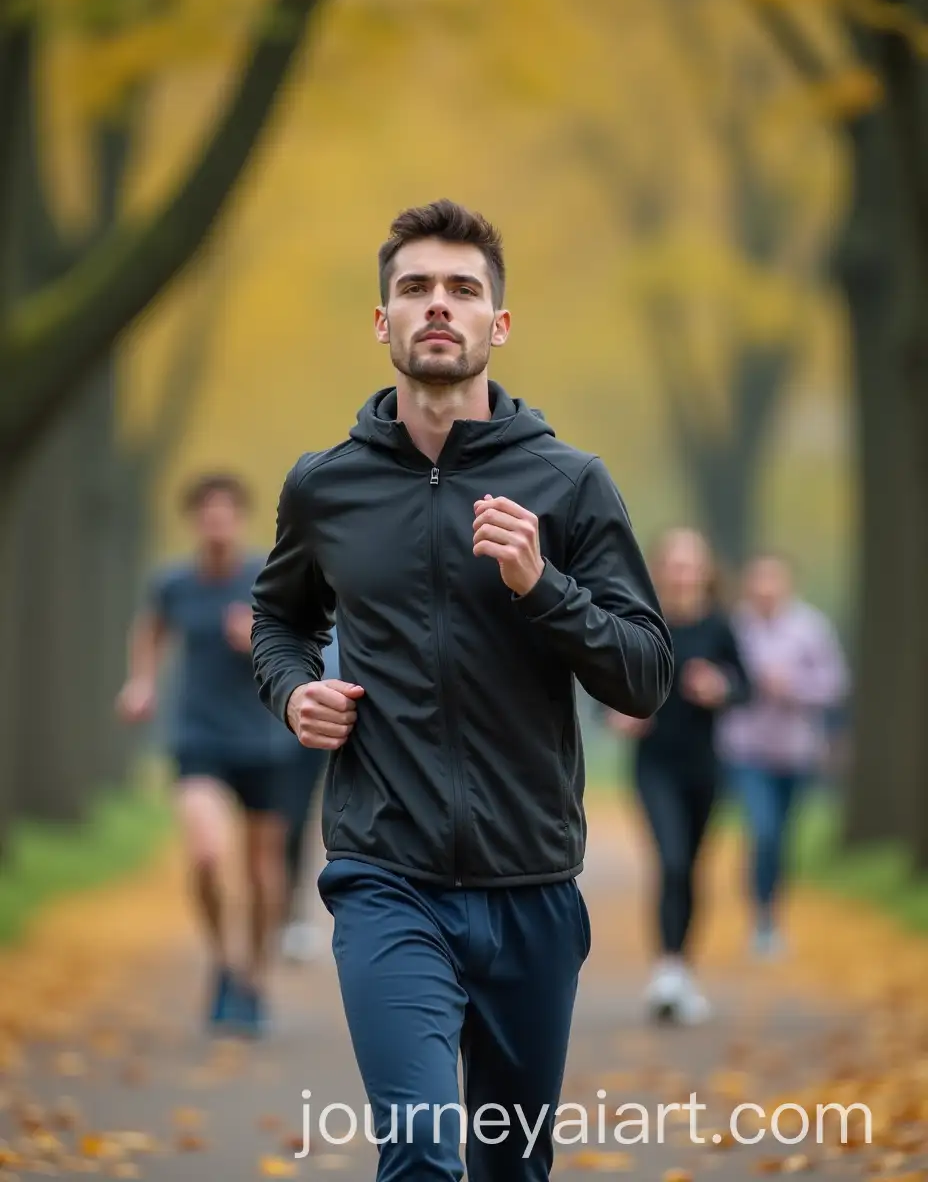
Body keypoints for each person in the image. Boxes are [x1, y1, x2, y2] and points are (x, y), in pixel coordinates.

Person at [250, 199, 674, 1180]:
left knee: (510, 1169)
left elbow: (644, 673)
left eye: (462, 290)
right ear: (382, 320)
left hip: (531, 883)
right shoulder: (325, 487)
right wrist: (291, 690)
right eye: (415, 288)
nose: (438, 306)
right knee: (423, 1150)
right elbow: (279, 619)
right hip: (384, 872)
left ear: (498, 323)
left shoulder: (569, 485)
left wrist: (542, 583)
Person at [116, 472, 291, 1034]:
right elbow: (150, 631)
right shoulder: (173, 582)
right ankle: (223, 962)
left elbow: (304, 639)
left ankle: (255, 979)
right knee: (208, 855)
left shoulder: (267, 575)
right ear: (194, 519)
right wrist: (140, 682)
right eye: (206, 512)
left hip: (264, 738)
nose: (216, 521)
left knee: (263, 872)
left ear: (240, 518)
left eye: (226, 511)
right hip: (199, 738)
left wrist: (258, 638)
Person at [607, 528, 750, 1025]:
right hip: (655, 765)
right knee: (669, 861)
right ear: (660, 570)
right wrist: (618, 715)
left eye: (693, 565)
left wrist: (721, 688)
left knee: (689, 868)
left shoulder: (720, 627)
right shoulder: (642, 620)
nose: (684, 574)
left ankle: (682, 970)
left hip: (704, 767)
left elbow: (743, 686)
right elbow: (606, 677)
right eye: (676, 565)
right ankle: (666, 973)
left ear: (707, 573)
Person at [717, 551, 849, 956]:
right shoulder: (734, 629)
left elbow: (836, 684)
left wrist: (792, 687)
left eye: (773, 580)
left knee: (781, 839)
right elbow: (717, 676)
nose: (765, 589)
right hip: (745, 749)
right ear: (748, 586)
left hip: (795, 752)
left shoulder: (810, 628)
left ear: (788, 584)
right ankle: (762, 919)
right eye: (758, 581)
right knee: (764, 829)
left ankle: (770, 909)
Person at [278, 626, 340, 963]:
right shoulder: (302, 585)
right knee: (294, 818)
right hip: (301, 722)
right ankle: (291, 913)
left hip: (367, 724)